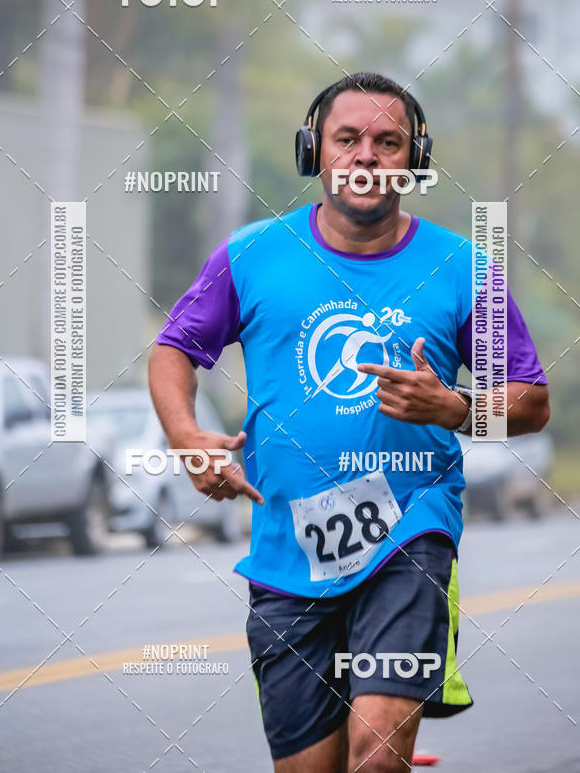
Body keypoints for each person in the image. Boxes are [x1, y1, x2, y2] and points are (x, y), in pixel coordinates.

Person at [148, 72, 550, 772]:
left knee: (377, 755)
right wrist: (186, 438)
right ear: (315, 151)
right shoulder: (251, 255)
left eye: (388, 142)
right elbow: (174, 350)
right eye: (347, 138)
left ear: (414, 159)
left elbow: (531, 402)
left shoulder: (463, 268)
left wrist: (456, 407)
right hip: (287, 554)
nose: (366, 155)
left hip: (410, 534)